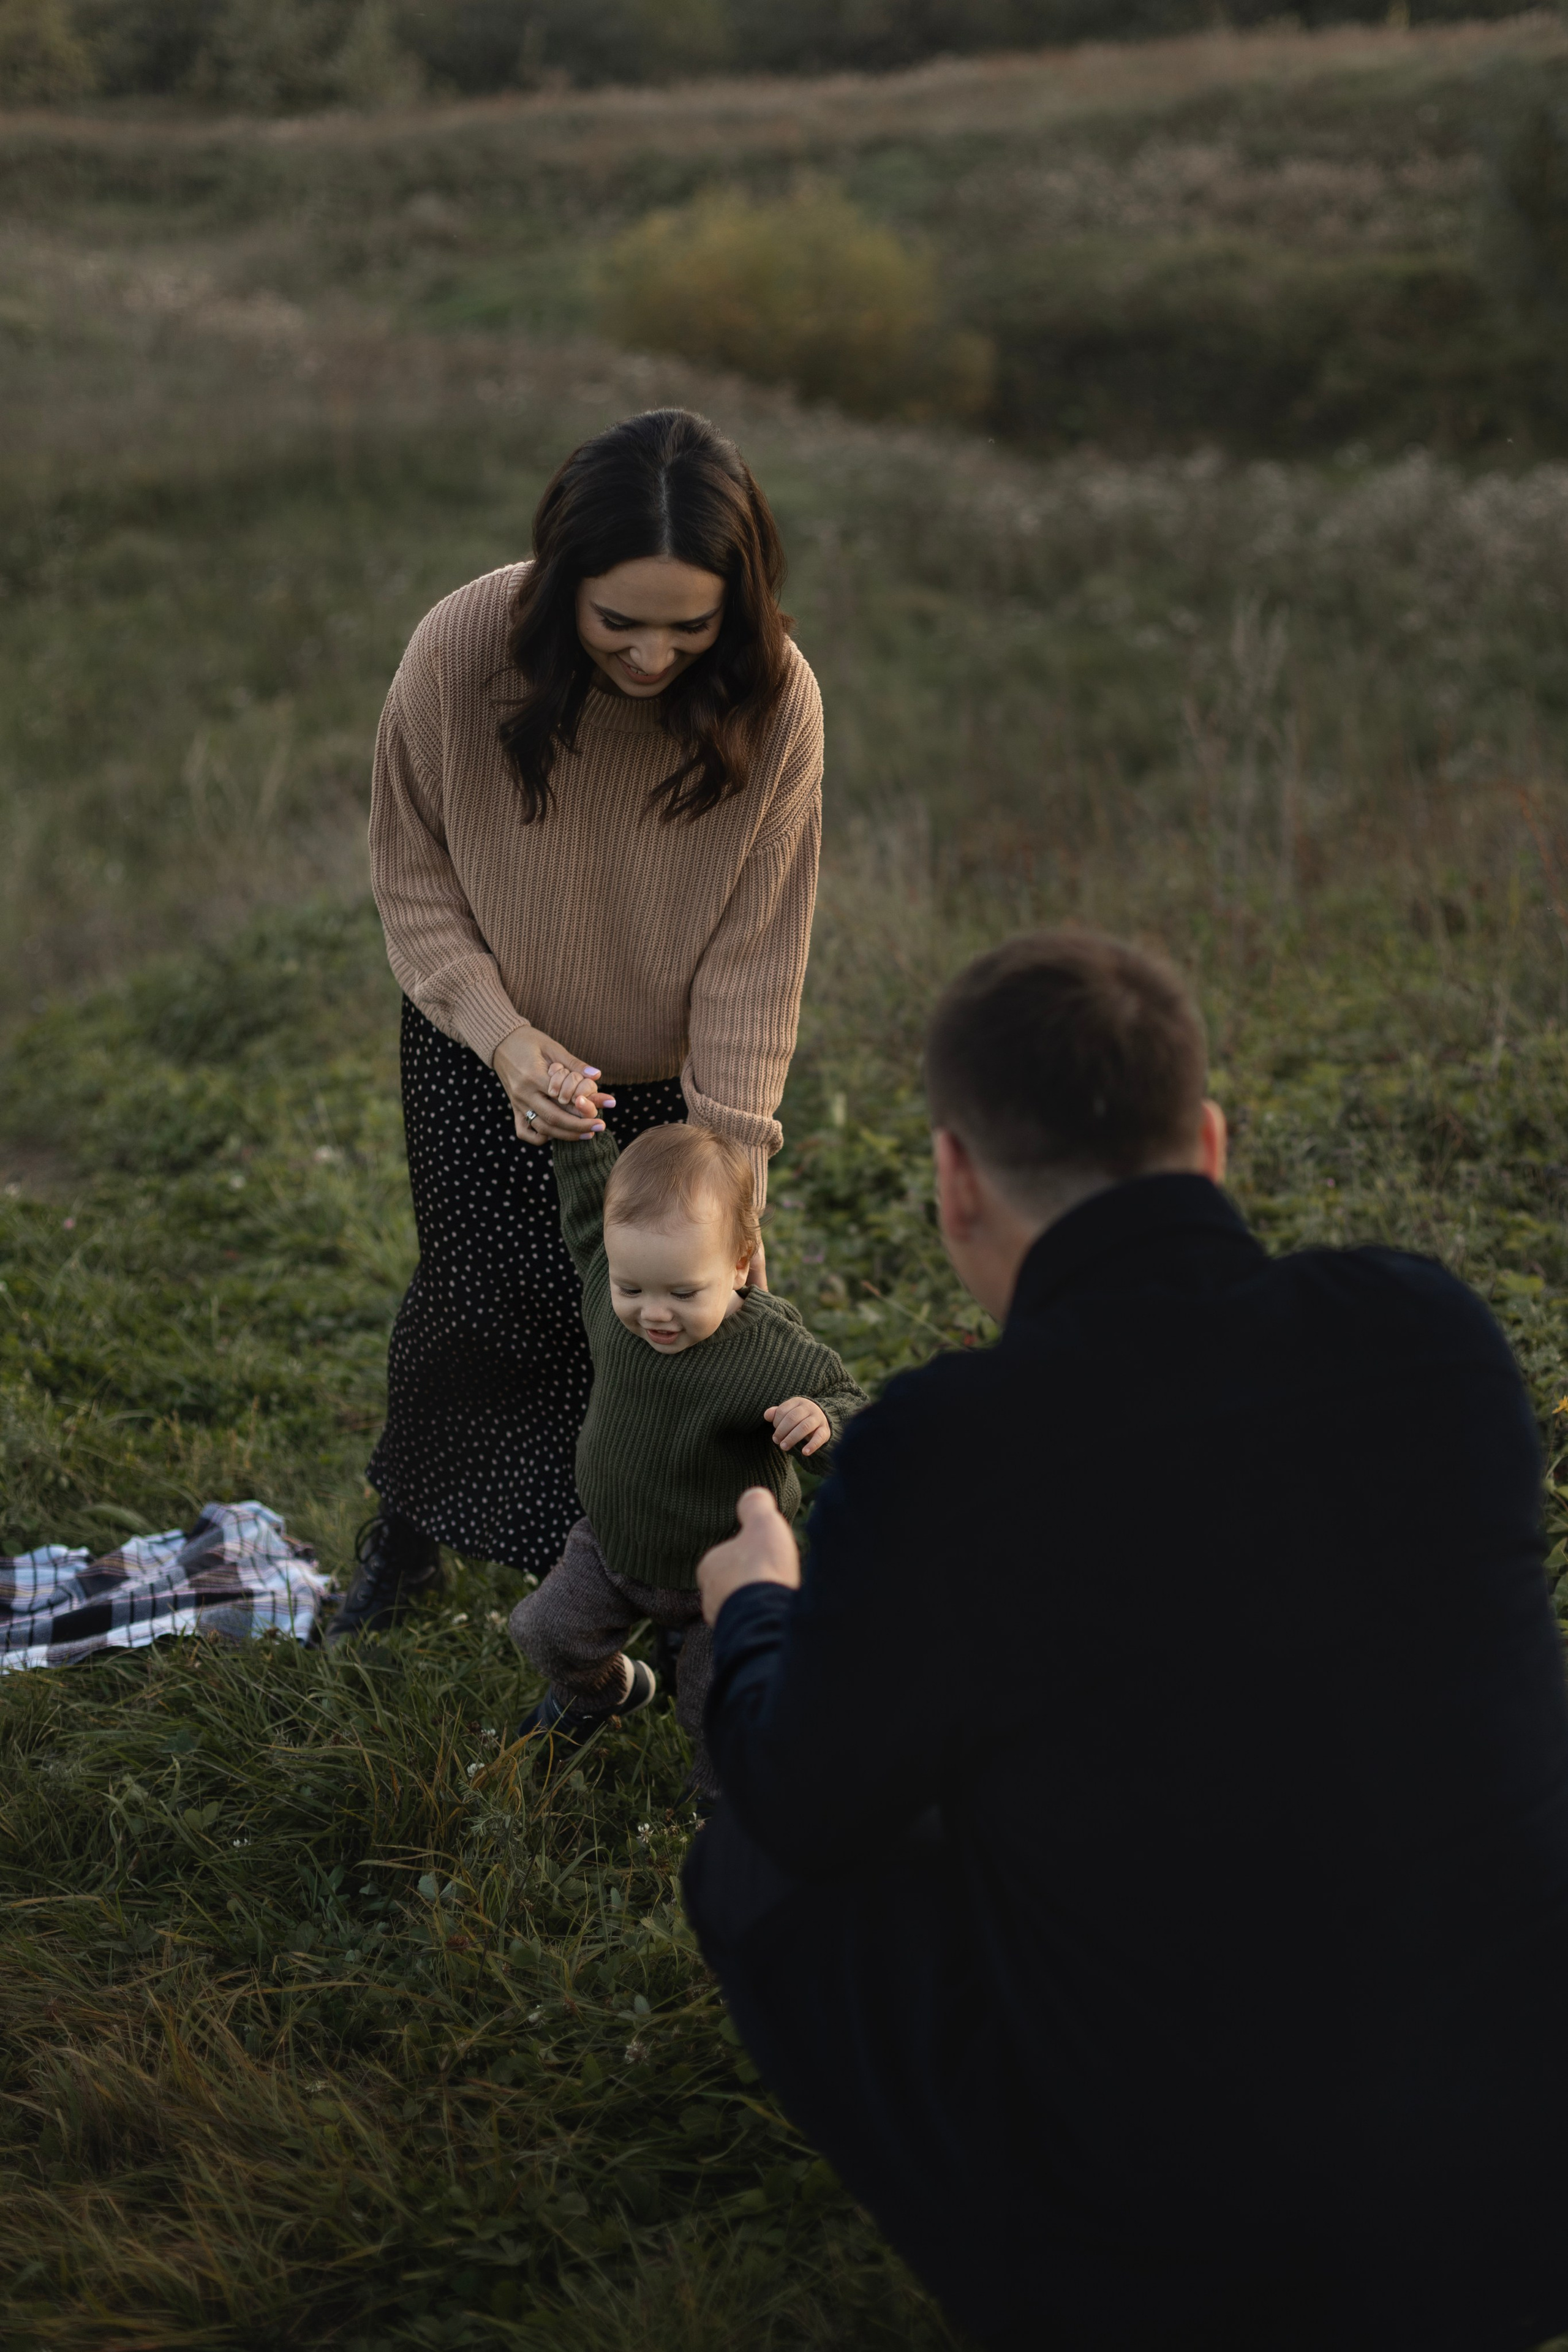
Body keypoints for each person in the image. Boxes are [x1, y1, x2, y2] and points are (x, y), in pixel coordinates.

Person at [684, 930, 1568, 2352]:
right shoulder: (1434, 1333)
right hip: (1532, 2214)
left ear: (953, 1176)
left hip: (1188, 2281)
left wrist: (756, 1608)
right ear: (1206, 1141)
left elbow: (805, 1798)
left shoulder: (941, 1449)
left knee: (757, 1850)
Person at [330, 408, 823, 1640]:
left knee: (664, 1331)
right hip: (484, 1052)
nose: (653, 657)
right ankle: (413, 1534)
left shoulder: (775, 701)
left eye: (688, 624)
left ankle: (636, 1579)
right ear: (562, 585)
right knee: (485, 1300)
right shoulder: (460, 656)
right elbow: (413, 879)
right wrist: (502, 1038)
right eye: (620, 622)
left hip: (673, 1088)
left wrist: (732, 1164)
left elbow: (758, 950)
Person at [507, 1121, 864, 1796]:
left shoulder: (769, 1349)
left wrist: (822, 1420)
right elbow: (588, 1206)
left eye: (683, 1292)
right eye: (633, 1287)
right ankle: (602, 1692)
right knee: (545, 1632)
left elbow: (851, 1407)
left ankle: (722, 1802)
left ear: (739, 1263)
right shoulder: (608, 1297)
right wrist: (575, 1124)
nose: (654, 1314)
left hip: (722, 1574)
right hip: (616, 1543)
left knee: (715, 1702)